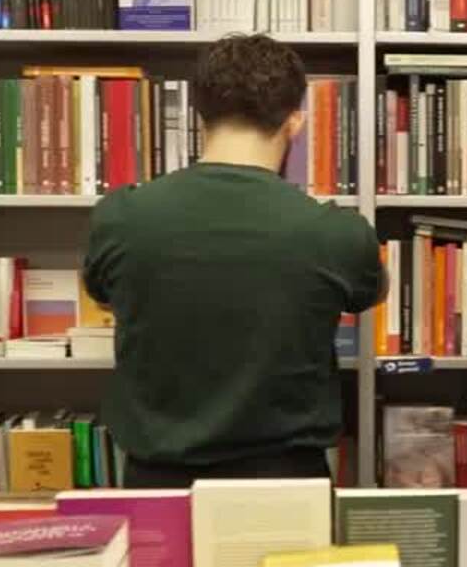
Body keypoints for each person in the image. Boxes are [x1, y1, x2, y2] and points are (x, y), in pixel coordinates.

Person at [82, 35, 383, 489]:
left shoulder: (122, 217)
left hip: (157, 485)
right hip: (289, 484)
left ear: (200, 116)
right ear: (295, 121)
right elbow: (370, 291)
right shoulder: (336, 232)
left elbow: (101, 293)